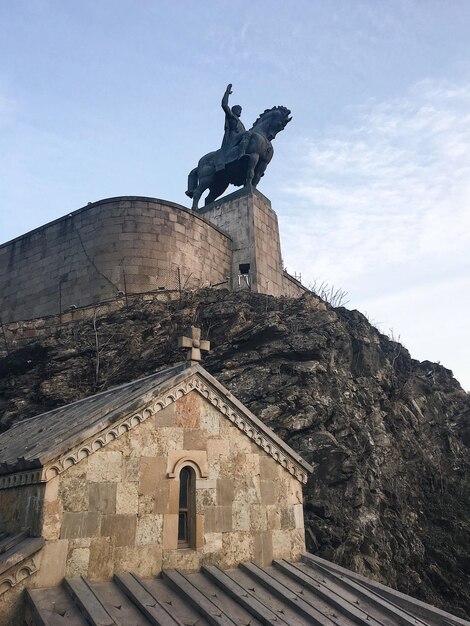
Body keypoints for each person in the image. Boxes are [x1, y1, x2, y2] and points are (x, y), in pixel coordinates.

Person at [216, 84, 251, 171]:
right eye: (238, 110)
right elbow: (224, 105)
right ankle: (241, 155)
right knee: (247, 133)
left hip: (239, 138)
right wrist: (227, 92)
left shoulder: (241, 123)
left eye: (241, 110)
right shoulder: (231, 116)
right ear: (234, 110)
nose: (240, 112)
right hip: (233, 137)